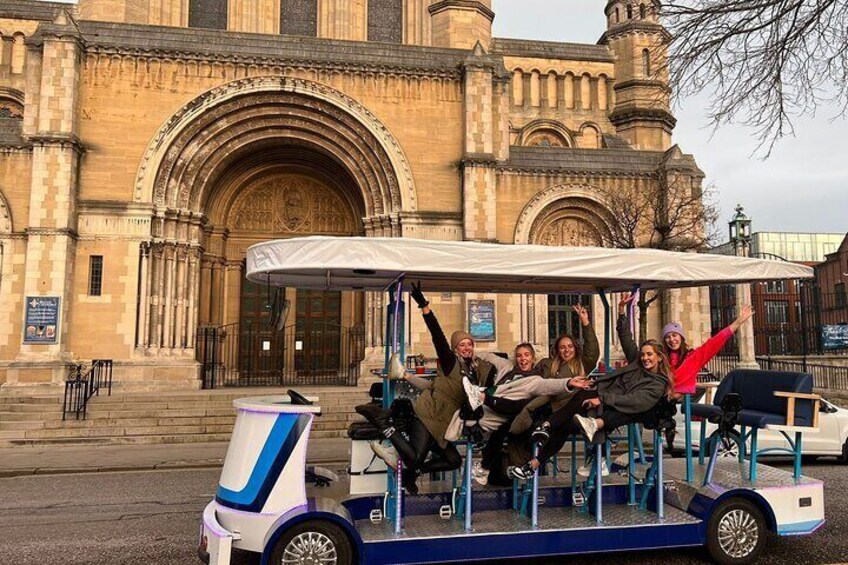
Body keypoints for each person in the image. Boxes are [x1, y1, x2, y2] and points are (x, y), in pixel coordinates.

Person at [361, 282, 497, 494]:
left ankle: (409, 474)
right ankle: (383, 423)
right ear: (455, 349)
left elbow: (432, 385)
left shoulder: (473, 371)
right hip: (428, 415)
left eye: (469, 343)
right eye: (462, 344)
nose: (467, 347)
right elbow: (437, 335)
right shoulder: (451, 362)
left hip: (442, 425)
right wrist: (424, 306)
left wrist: (406, 375)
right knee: (414, 457)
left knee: (453, 461)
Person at [507, 314, 669, 480]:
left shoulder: (656, 383)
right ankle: (532, 463)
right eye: (643, 354)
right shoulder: (548, 363)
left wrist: (585, 323)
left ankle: (543, 451)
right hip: (569, 407)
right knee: (559, 423)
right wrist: (621, 313)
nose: (645, 358)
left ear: (659, 357)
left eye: (649, 355)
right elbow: (626, 338)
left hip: (600, 404)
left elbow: (635, 400)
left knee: (582, 394)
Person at [456, 342, 593, 486]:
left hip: (512, 412)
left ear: (533, 358)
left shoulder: (535, 379)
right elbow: (491, 357)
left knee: (505, 422)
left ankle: (480, 401)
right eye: (519, 356)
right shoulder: (508, 368)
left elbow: (550, 385)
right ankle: (482, 459)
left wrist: (569, 382)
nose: (523, 359)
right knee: (489, 422)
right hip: (494, 408)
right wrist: (471, 353)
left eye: (526, 355)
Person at [617, 293, 755, 396]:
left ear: (681, 338)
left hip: (679, 402)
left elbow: (716, 341)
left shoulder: (693, 357)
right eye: (668, 337)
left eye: (674, 335)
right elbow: (628, 344)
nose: (672, 340)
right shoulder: (658, 358)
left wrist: (739, 322)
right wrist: (622, 312)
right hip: (656, 399)